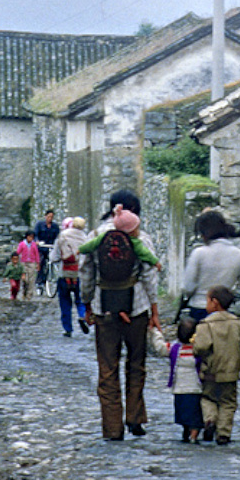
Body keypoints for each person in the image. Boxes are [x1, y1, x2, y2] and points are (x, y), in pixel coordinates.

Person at [80, 189, 161, 441]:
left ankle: (112, 427)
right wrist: (154, 309)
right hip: (136, 308)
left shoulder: (95, 235)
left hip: (104, 308)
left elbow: (86, 273)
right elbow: (150, 275)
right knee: (136, 363)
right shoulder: (141, 238)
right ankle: (135, 417)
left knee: (107, 367)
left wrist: (87, 304)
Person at [192, 285, 240, 446]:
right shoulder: (237, 322)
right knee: (228, 402)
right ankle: (223, 433)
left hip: (211, 370)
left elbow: (200, 347)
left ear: (214, 302)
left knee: (208, 397)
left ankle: (210, 419)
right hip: (231, 371)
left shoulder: (205, 324)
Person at [182, 209, 240, 322]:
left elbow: (188, 287)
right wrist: (227, 298)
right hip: (225, 311)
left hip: (199, 308)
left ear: (204, 233)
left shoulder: (199, 253)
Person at [148, 317, 203, 443]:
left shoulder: (174, 349)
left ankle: (186, 431)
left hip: (179, 388)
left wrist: (155, 332)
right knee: (196, 415)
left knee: (183, 412)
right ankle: (194, 435)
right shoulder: (199, 350)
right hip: (196, 387)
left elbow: (160, 347)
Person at [78, 205, 162, 270]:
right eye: (136, 229)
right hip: (126, 282)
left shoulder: (105, 236)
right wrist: (155, 262)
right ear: (130, 230)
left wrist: (81, 249)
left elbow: (92, 244)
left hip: (106, 279)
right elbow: (145, 253)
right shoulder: (133, 242)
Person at [50, 217, 88, 336]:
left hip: (64, 274)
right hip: (79, 274)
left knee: (65, 302)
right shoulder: (85, 237)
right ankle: (82, 315)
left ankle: (68, 329)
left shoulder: (62, 236)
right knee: (80, 300)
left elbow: (54, 257)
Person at [33, 209, 60, 293]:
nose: (50, 218)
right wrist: (37, 241)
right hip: (42, 247)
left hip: (51, 247)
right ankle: (39, 283)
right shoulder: (39, 225)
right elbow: (35, 235)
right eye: (49, 217)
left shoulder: (55, 226)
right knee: (41, 262)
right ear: (45, 216)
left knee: (53, 262)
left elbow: (58, 237)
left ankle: (50, 278)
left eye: (52, 217)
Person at [16, 231, 40, 300]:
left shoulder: (34, 245)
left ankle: (29, 295)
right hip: (24, 263)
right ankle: (24, 292)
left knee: (31, 280)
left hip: (31, 263)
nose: (31, 238)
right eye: (29, 237)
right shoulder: (22, 244)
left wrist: (38, 263)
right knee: (25, 279)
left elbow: (36, 254)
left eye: (32, 237)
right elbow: (18, 252)